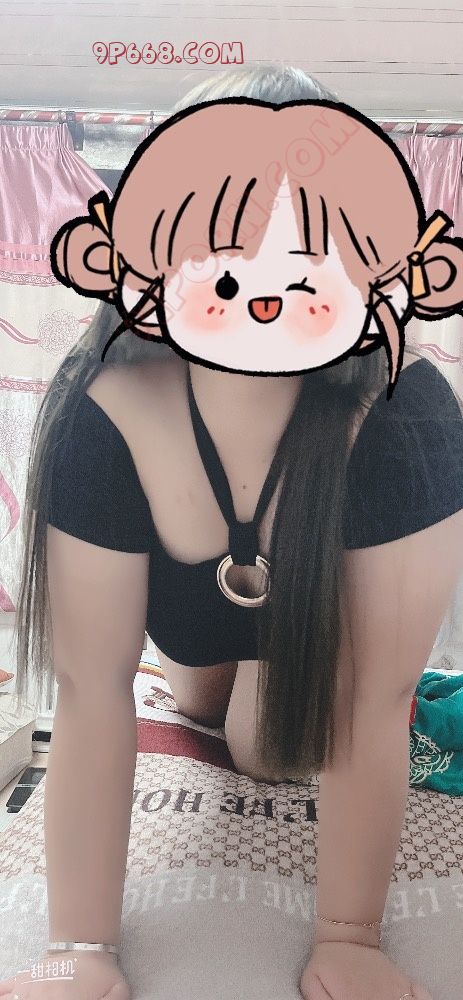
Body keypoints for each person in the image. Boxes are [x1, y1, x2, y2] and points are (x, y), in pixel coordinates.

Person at [4, 62, 463, 1000]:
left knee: (269, 749)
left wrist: (349, 939)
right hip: (185, 632)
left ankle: (265, 676)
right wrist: (79, 950)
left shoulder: (405, 409)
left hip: (320, 635)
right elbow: (91, 692)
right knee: (201, 706)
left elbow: (375, 702)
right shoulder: (103, 401)